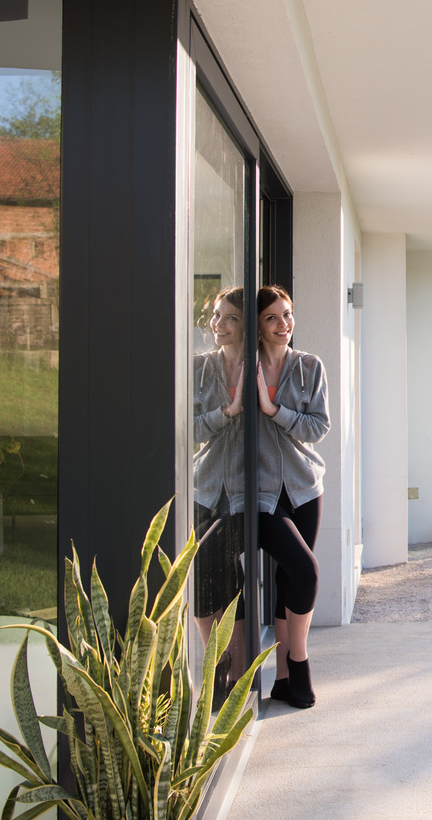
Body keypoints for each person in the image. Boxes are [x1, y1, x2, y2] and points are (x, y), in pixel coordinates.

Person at [252, 284, 329, 709]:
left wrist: (273, 410)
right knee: (306, 571)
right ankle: (299, 664)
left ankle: (282, 679)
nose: (284, 325)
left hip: (304, 487)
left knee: (288, 580)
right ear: (259, 328)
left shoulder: (309, 367)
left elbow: (318, 427)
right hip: (261, 495)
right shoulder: (243, 369)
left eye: (287, 315)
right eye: (272, 318)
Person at [191, 287, 247, 677]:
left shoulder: (263, 368)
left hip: (248, 492)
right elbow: (187, 428)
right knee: (202, 569)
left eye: (230, 317)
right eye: (216, 315)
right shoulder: (200, 368)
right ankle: (218, 661)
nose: (218, 324)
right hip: (206, 486)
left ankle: (236, 663)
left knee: (222, 561)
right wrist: (226, 412)